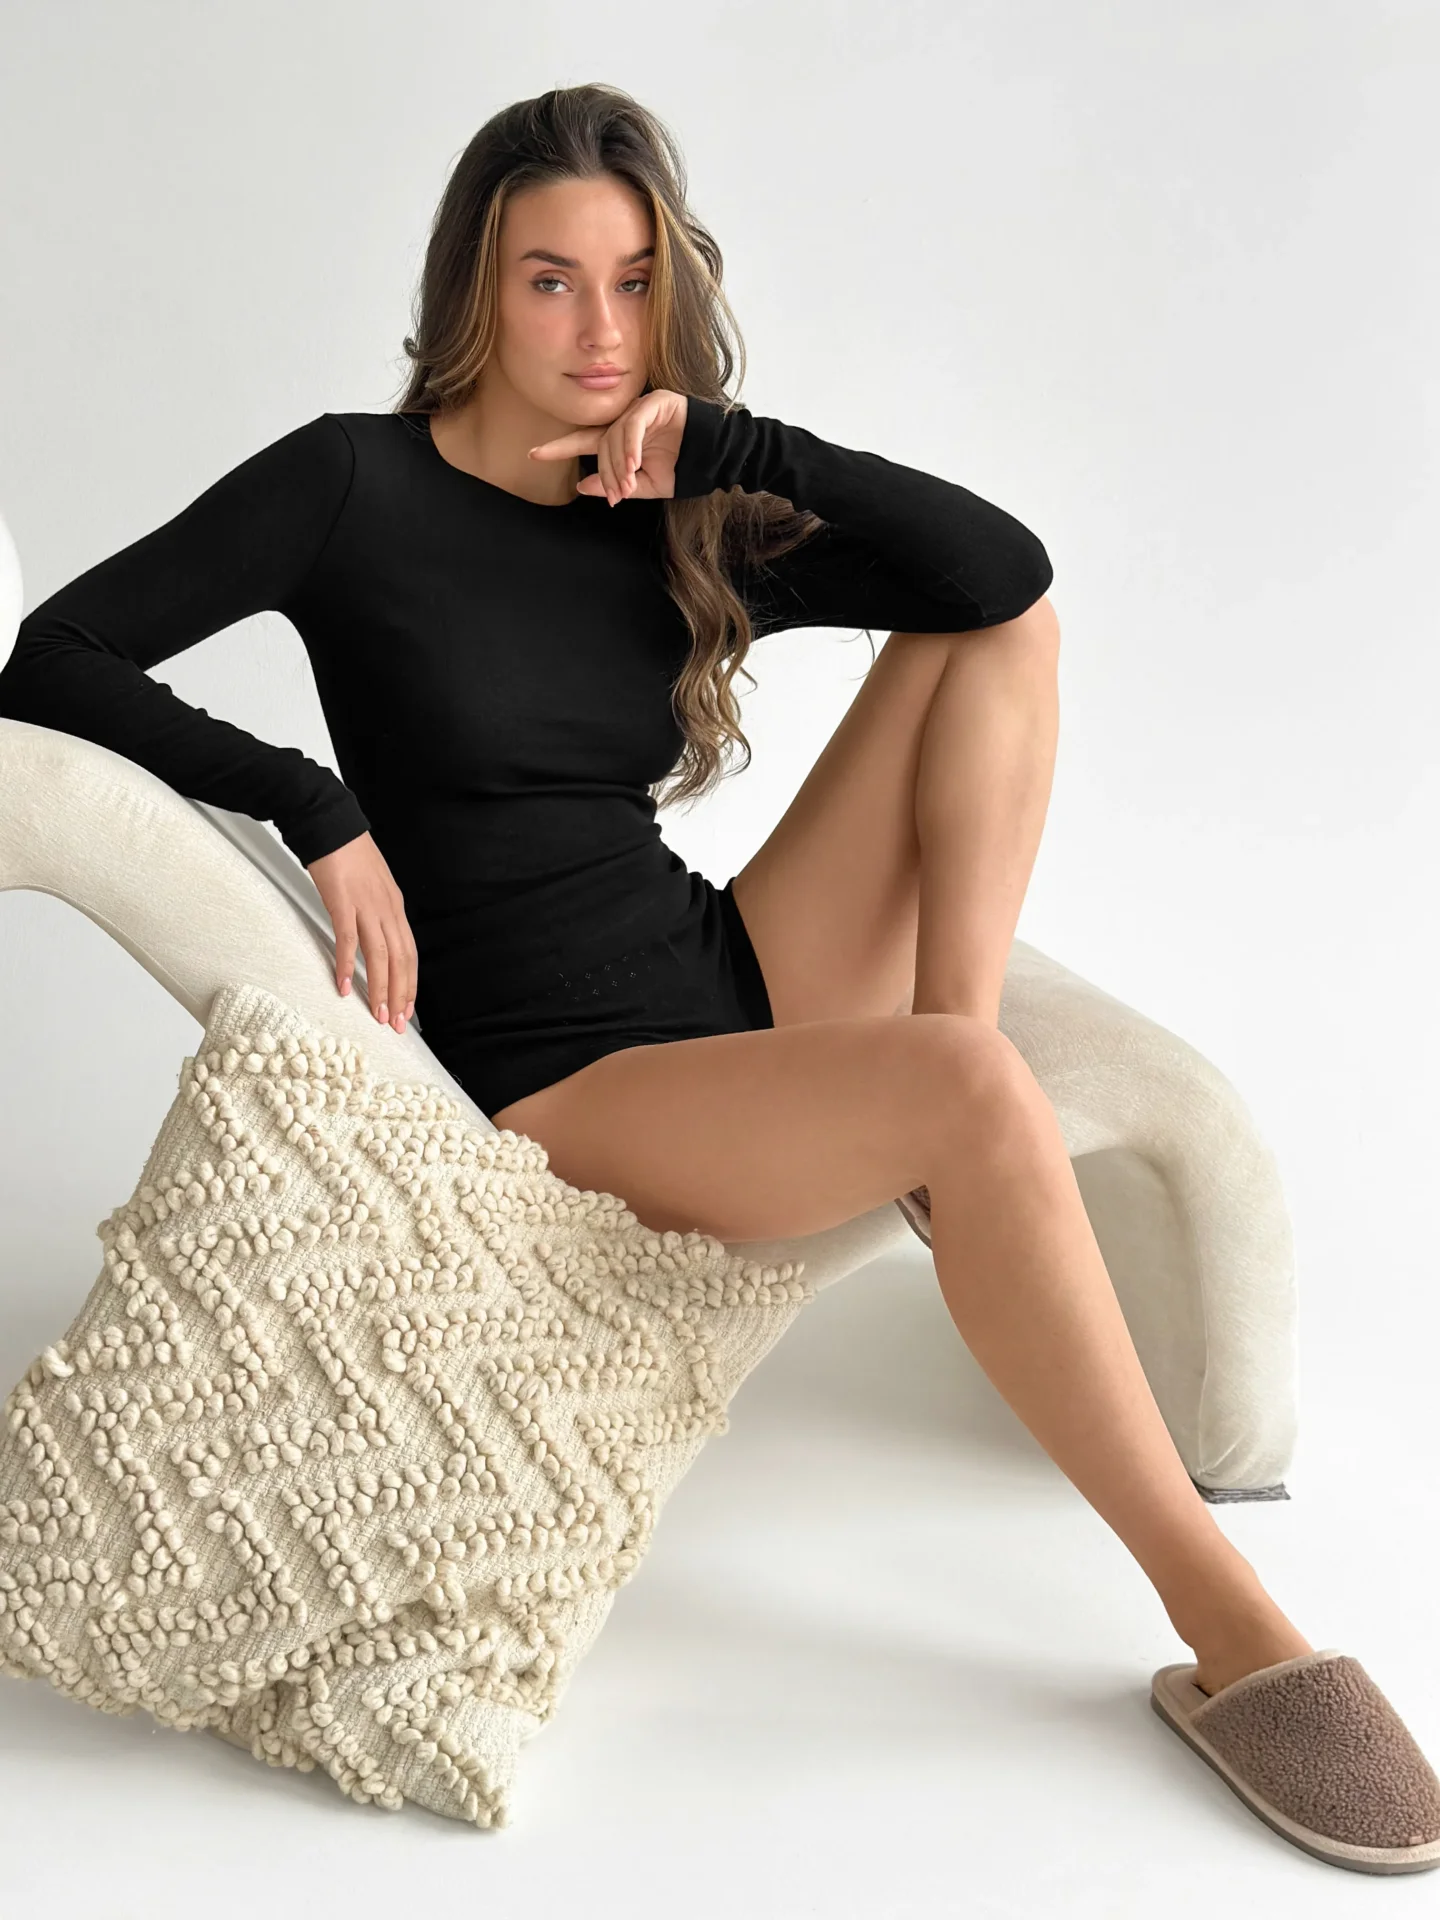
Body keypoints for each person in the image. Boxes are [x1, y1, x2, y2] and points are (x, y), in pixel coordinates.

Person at [2, 82, 1436, 1873]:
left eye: (633, 282)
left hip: (727, 971)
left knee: (1002, 640)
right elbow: (49, 657)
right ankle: (1229, 1620)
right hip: (571, 1085)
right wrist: (315, 802)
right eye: (550, 280)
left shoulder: (660, 498)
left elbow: (1000, 572)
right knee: (972, 1088)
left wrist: (738, 445)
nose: (599, 331)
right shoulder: (347, 486)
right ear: (472, 289)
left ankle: (945, 1083)